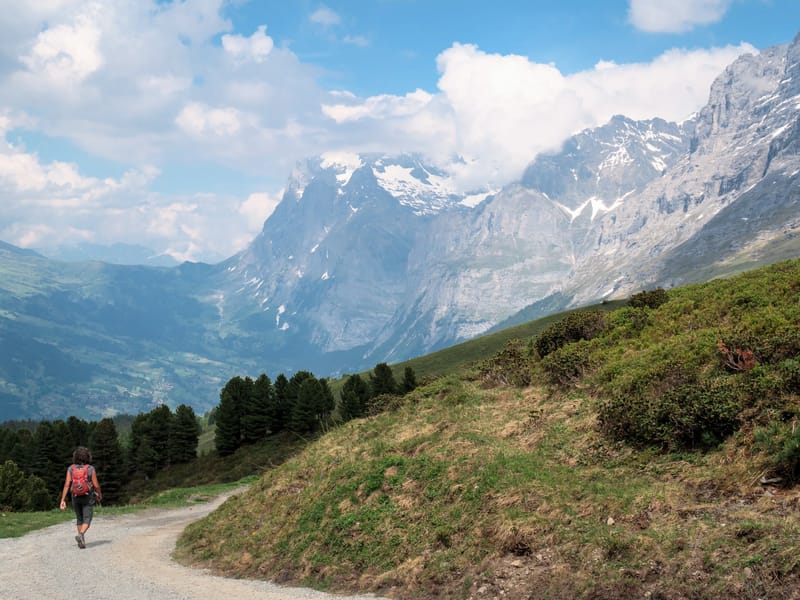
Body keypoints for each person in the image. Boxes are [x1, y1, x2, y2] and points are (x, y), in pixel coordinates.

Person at [59, 446, 102, 549]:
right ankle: (81, 535)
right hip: (87, 496)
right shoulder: (90, 469)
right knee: (87, 518)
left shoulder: (71, 468)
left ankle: (81, 539)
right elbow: (96, 485)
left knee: (79, 518)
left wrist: (62, 500)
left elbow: (67, 485)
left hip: (75, 496)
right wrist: (99, 494)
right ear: (87, 457)